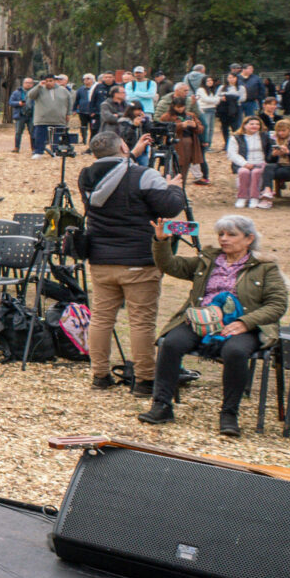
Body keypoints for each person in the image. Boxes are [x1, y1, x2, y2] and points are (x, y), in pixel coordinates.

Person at [135, 215, 287, 436]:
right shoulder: (208, 259)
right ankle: (162, 406)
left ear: (249, 239)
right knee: (171, 342)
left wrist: (245, 322)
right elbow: (170, 265)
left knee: (235, 351)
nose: (224, 239)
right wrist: (161, 241)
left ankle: (229, 414)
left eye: (231, 234)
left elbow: (277, 304)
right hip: (203, 320)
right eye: (221, 234)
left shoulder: (265, 267)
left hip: (243, 325)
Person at [77, 129, 189, 396]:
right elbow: (170, 208)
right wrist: (175, 188)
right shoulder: (144, 175)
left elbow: (116, 175)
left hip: (101, 259)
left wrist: (133, 155)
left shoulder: (87, 177)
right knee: (141, 322)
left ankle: (100, 375)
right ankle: (144, 380)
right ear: (124, 148)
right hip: (139, 260)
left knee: (101, 318)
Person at [29, 74, 73, 156]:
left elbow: (69, 102)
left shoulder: (63, 90)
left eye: (50, 81)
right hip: (42, 119)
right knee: (40, 137)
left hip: (58, 119)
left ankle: (56, 151)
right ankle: (38, 152)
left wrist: (68, 114)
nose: (48, 83)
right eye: (46, 81)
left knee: (56, 137)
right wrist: (38, 86)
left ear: (55, 81)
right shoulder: (40, 89)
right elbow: (30, 95)